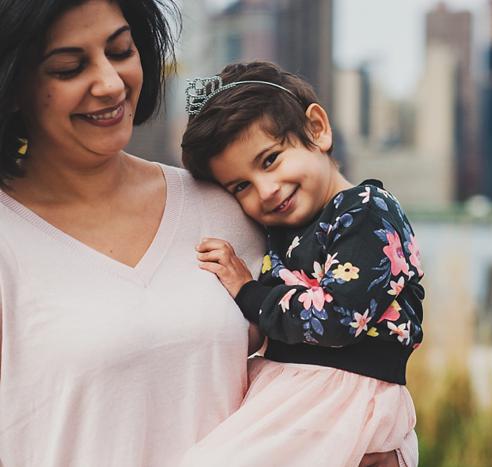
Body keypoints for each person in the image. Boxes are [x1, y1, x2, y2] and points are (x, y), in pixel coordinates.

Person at [0, 1, 412, 465]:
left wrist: (390, 450)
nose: (111, 84)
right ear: (13, 84)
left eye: (120, 51)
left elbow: (351, 367)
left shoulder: (233, 206)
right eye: (70, 67)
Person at [180, 61, 425, 467]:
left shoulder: (366, 211)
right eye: (241, 186)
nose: (266, 190)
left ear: (317, 129)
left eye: (270, 160)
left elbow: (338, 318)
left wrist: (247, 291)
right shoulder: (287, 227)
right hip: (303, 389)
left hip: (339, 392)